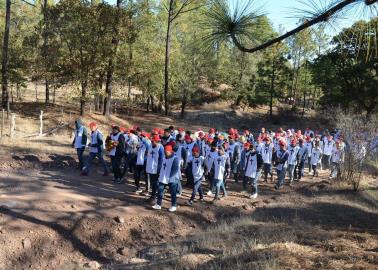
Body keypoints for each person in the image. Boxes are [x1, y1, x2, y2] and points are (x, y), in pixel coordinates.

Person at [152, 145, 180, 212]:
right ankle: (158, 204)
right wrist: (160, 175)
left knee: (173, 193)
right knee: (160, 191)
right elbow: (162, 167)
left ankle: (174, 205)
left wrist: (168, 177)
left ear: (170, 151)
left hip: (172, 179)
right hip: (163, 177)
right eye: (164, 151)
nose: (165, 153)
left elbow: (175, 170)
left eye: (166, 152)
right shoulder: (165, 158)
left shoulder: (175, 158)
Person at [146, 135, 164, 202]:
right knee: (152, 183)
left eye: (153, 141)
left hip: (156, 168)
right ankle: (152, 196)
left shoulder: (160, 147)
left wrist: (158, 169)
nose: (152, 142)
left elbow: (161, 159)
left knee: (155, 183)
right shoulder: (150, 146)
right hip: (150, 167)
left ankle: (155, 197)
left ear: (157, 141)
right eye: (151, 141)